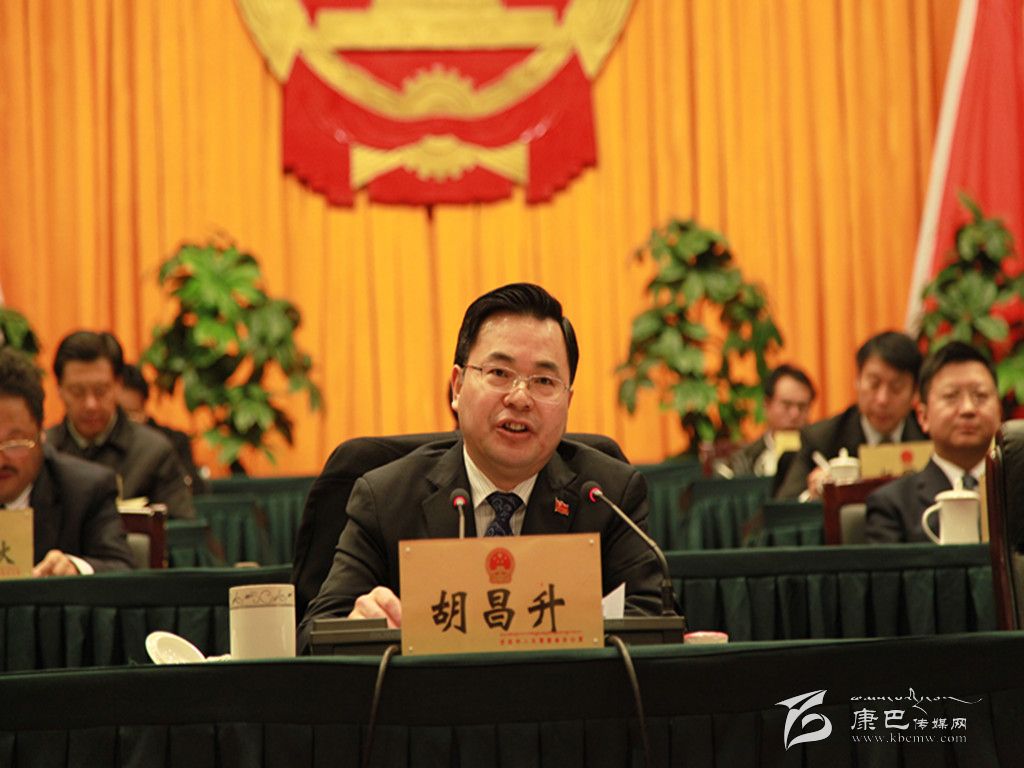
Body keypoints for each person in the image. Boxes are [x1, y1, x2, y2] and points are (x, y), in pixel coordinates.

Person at [299, 283, 663, 645]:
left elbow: (656, 628)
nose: (520, 398)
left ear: (567, 401)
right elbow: (314, 638)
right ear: (457, 387)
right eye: (500, 373)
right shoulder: (386, 499)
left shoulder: (608, 496)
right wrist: (357, 628)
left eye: (543, 381)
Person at [0, 348, 134, 575]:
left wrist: (75, 569)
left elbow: (122, 569)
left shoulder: (86, 490)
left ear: (41, 433)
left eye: (14, 443)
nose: (1, 460)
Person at [46, 331, 195, 519]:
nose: (90, 404)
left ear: (118, 385)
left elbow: (181, 527)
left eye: (100, 391)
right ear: (59, 389)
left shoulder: (153, 452)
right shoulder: (44, 453)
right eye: (77, 392)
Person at [865, 342, 1000, 543]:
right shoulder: (892, 506)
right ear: (923, 416)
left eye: (980, 396)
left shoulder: (1016, 492)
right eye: (951, 396)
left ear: (999, 409)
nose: (968, 409)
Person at [775, 331, 926, 500]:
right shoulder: (822, 439)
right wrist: (812, 495)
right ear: (858, 381)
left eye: (896, 387)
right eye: (874, 384)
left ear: (915, 391)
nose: (882, 399)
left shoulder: (929, 436)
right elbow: (787, 505)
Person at [119, 363, 207, 495]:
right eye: (120, 415)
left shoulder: (172, 442)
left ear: (144, 407)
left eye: (133, 414)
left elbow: (195, 488)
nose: (127, 423)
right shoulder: (99, 442)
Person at [728, 364, 815, 477]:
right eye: (786, 405)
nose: (795, 414)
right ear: (767, 405)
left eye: (802, 407)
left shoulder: (820, 455)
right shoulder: (744, 460)